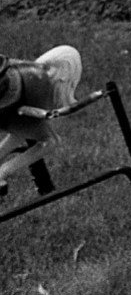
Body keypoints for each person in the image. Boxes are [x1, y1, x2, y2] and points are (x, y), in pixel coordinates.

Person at [0, 46, 83, 197]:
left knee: (48, 139)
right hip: (18, 81)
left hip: (21, 85)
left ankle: (5, 171)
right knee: (21, 128)